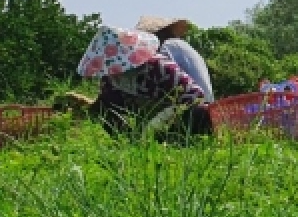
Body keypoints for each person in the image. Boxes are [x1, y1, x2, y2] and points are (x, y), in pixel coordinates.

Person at [77, 27, 211, 136]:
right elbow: (106, 104)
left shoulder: (159, 67)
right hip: (146, 118)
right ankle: (129, 140)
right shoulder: (109, 80)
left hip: (177, 116)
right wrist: (86, 107)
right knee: (103, 110)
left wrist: (157, 122)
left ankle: (169, 140)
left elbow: (195, 95)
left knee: (198, 113)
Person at [135, 15, 214, 103]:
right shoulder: (180, 44)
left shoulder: (168, 46)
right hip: (207, 101)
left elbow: (158, 71)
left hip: (195, 102)